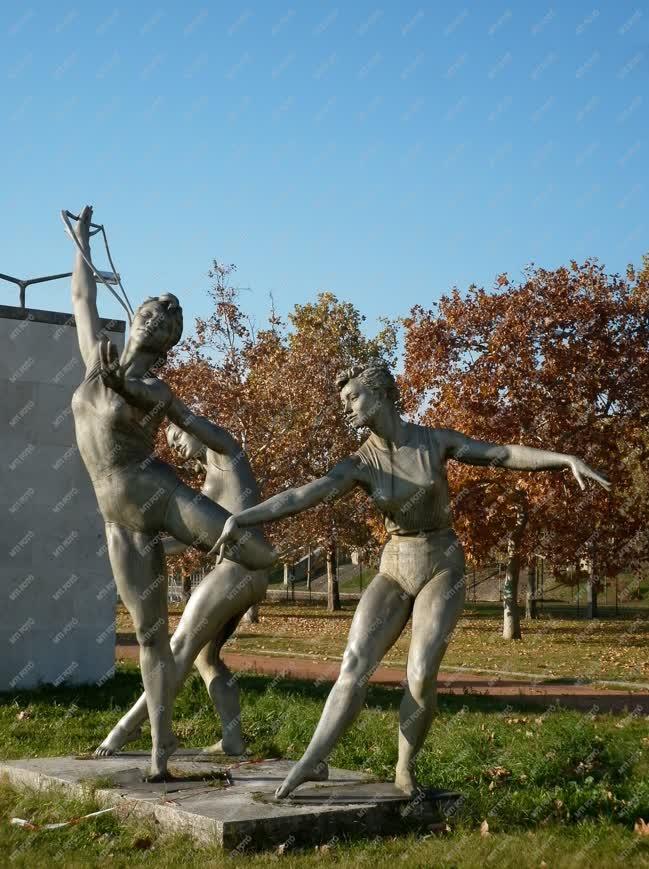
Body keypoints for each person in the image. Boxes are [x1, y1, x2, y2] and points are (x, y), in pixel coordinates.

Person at [212, 362, 610, 798]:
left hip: (441, 562)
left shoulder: (432, 441)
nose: (346, 409)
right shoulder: (360, 463)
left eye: (353, 398)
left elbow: (503, 453)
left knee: (420, 674)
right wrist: (242, 518)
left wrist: (564, 459)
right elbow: (303, 495)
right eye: (342, 401)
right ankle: (313, 760)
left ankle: (404, 768)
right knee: (354, 663)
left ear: (381, 395)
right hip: (394, 564)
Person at [69, 206, 275, 780]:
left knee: (259, 554)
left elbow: (214, 436)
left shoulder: (152, 387)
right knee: (150, 639)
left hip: (156, 493)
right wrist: (82, 241)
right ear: (133, 320)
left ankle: (249, 560)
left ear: (166, 342)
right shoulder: (96, 364)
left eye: (161, 322)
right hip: (121, 520)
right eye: (146, 314)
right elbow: (83, 301)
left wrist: (145, 402)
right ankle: (162, 753)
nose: (149, 322)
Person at [95, 421, 268, 758]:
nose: (173, 445)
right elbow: (187, 537)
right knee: (206, 659)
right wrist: (136, 543)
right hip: (247, 575)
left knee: (177, 648)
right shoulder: (205, 488)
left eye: (177, 435)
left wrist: (171, 406)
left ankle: (127, 727)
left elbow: (193, 420)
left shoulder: (227, 455)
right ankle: (233, 739)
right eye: (169, 442)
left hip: (239, 570)